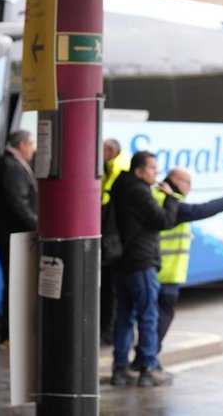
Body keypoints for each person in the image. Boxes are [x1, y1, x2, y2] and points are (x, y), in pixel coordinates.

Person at [130, 167, 223, 370]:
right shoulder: (173, 205)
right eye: (186, 182)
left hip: (149, 268)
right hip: (165, 273)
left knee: (144, 317)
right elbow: (203, 209)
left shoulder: (153, 197)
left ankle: (142, 360)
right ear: (174, 180)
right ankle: (146, 361)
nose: (189, 187)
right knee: (160, 317)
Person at [109, 151, 179, 387]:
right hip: (141, 262)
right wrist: (170, 198)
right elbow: (163, 220)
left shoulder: (121, 187)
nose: (156, 174)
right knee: (148, 316)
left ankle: (120, 368)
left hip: (121, 263)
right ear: (139, 171)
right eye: (152, 169)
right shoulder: (139, 192)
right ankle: (148, 369)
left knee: (124, 317)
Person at [0, 130, 37, 347]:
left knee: (15, 283)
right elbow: (18, 204)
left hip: (11, 234)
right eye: (31, 144)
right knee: (16, 284)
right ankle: (9, 333)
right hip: (13, 236)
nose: (33, 149)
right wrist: (38, 226)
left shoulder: (10, 164)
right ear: (22, 145)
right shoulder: (11, 167)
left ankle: (11, 332)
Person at [100, 138, 130, 345]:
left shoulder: (117, 168)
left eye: (102, 150)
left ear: (111, 151)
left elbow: (106, 201)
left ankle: (110, 332)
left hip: (111, 236)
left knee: (111, 289)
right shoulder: (110, 165)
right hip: (109, 234)